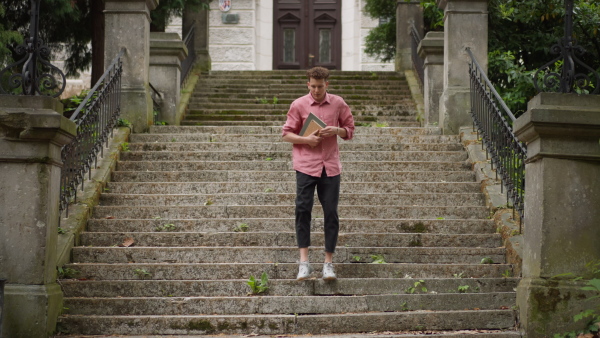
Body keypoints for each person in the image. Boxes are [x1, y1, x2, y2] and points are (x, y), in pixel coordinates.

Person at [281, 66, 355, 281]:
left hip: (330, 166)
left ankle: (328, 263)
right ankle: (304, 262)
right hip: (306, 165)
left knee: (331, 212)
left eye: (320, 87)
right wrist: (307, 140)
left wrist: (337, 130)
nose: (316, 90)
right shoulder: (298, 105)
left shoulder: (338, 103)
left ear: (327, 85)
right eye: (312, 86)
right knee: (303, 209)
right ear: (308, 84)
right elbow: (286, 134)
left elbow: (350, 129)